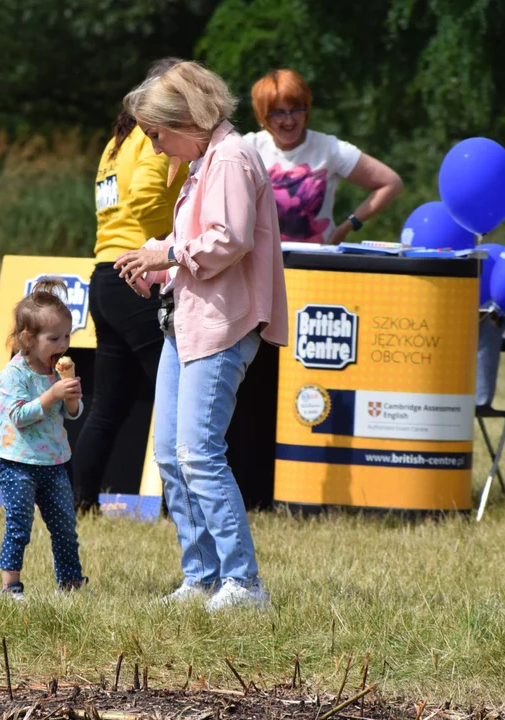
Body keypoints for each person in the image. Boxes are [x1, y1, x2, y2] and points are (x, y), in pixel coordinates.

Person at [114, 61, 288, 612]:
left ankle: (243, 583)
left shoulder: (232, 157)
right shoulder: (204, 160)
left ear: (185, 120)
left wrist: (163, 252)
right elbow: (198, 245)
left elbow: (229, 239)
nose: (156, 147)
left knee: (198, 453)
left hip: (221, 326)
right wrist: (159, 272)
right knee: (171, 454)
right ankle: (203, 577)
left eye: (156, 135)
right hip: (187, 322)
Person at [71, 57, 187, 514]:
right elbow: (143, 197)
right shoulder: (149, 136)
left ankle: (81, 503)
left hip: (105, 273)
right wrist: (171, 239)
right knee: (177, 393)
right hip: (135, 271)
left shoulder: (115, 141)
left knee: (109, 404)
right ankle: (183, 504)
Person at [0, 279, 88, 601]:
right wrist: (52, 395)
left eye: (67, 336)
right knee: (19, 526)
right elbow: (19, 416)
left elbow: (73, 413)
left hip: (55, 461)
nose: (63, 344)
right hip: (18, 462)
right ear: (28, 340)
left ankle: (70, 583)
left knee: (64, 528)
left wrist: (70, 397)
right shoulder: (13, 374)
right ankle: (10, 586)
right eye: (54, 338)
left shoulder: (57, 373)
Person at [244, 69, 402, 245]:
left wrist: (349, 225)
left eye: (295, 110)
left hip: (316, 265)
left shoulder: (330, 149)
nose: (289, 121)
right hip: (263, 266)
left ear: (306, 110)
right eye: (279, 113)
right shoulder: (247, 149)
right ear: (263, 116)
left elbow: (391, 183)